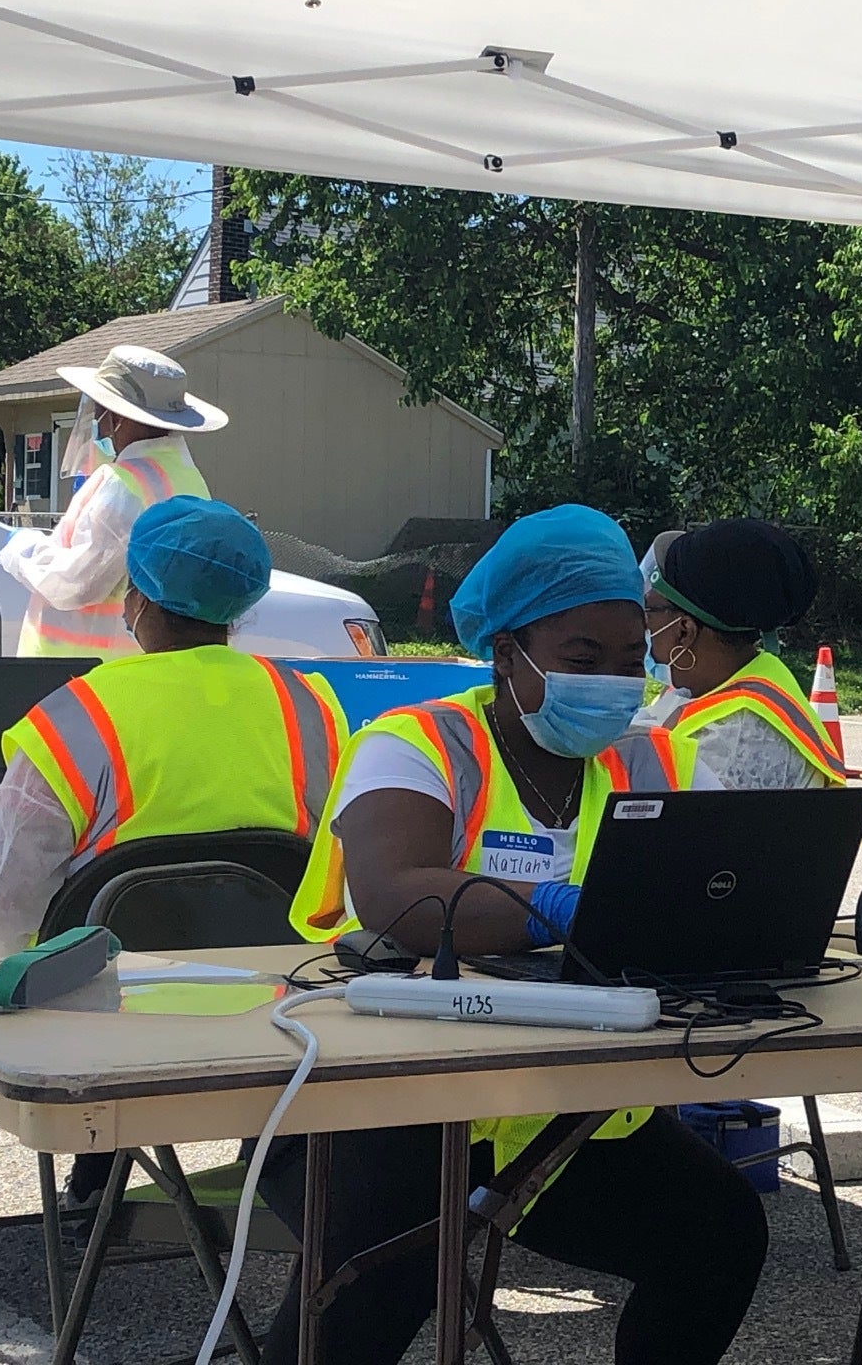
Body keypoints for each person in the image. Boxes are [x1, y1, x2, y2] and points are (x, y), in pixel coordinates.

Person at [276, 503, 765, 1365]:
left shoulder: (660, 758)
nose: (615, 682)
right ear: (506, 655)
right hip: (392, 1104)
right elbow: (400, 897)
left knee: (718, 1236)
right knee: (369, 1295)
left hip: (566, 1115)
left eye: (630, 661)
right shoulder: (416, 743)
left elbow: (731, 888)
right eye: (584, 659)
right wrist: (574, 905)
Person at [0, 497, 341, 1309]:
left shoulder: (78, 715)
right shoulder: (313, 707)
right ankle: (98, 1184)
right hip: (270, 1003)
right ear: (242, 605)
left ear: (136, 599)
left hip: (98, 1014)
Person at [0, 344, 224, 657]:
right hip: (132, 659)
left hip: (80, 666)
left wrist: (24, 550)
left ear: (118, 416)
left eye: (100, 410)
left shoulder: (122, 486)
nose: (97, 421)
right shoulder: (186, 476)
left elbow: (78, 582)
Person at [637, 519, 846, 789]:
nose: (641, 623)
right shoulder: (722, 685)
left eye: (648, 609)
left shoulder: (732, 740)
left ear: (684, 631)